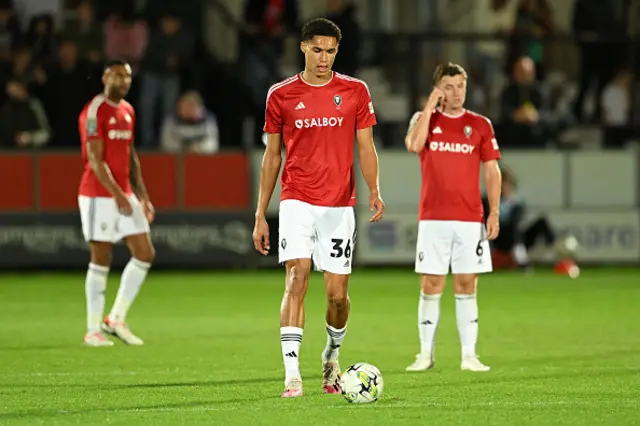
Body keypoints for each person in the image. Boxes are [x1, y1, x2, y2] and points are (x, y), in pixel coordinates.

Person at [252, 18, 384, 398]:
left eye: (330, 51)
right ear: (303, 48)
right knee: (296, 278)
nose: (323, 58)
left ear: (336, 51)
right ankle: (292, 373)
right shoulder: (281, 95)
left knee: (337, 296)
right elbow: (272, 155)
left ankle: (331, 355)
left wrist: (374, 189)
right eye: (317, 50)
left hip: (339, 205)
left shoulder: (355, 91)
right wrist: (261, 212)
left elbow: (365, 146)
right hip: (296, 199)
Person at [404, 62, 502, 372]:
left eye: (460, 86)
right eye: (449, 86)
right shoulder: (424, 120)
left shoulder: (481, 124)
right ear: (437, 89)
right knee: (431, 283)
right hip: (433, 217)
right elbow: (413, 145)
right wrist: (430, 107)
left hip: (469, 218)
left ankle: (469, 355)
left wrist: (494, 211)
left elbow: (492, 170)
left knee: (466, 284)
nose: (456, 92)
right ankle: (425, 354)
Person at [77, 59, 156, 347]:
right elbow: (95, 160)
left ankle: (116, 318)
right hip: (98, 194)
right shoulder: (95, 110)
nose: (123, 81)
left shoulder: (128, 111)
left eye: (127, 77)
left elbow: (131, 156)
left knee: (145, 253)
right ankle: (92, 329)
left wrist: (142, 196)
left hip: (124, 193)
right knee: (101, 258)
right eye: (117, 76)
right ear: (104, 78)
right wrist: (118, 195)